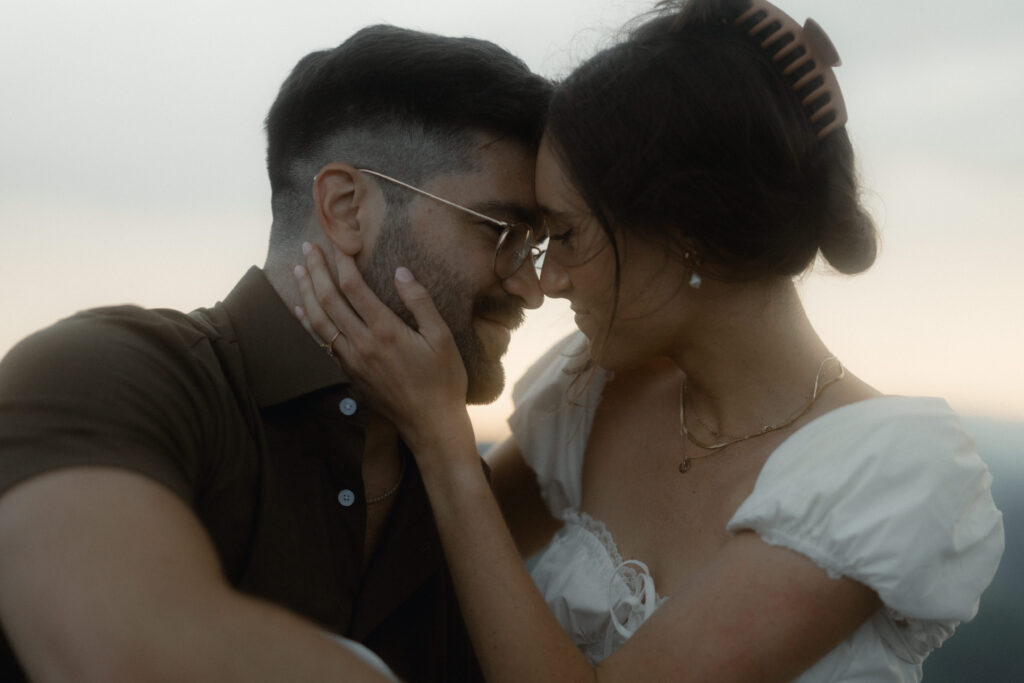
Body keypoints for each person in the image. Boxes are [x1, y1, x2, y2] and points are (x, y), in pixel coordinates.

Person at [293, 0, 1006, 680]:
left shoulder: (878, 479)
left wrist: (442, 434)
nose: (548, 281)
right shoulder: (594, 394)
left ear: (684, 233)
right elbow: (425, 567)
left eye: (565, 236)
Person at [0, 25, 551, 682]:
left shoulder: (457, 485)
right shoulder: (102, 371)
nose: (532, 286)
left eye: (537, 246)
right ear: (345, 208)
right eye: (503, 232)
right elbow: (126, 654)